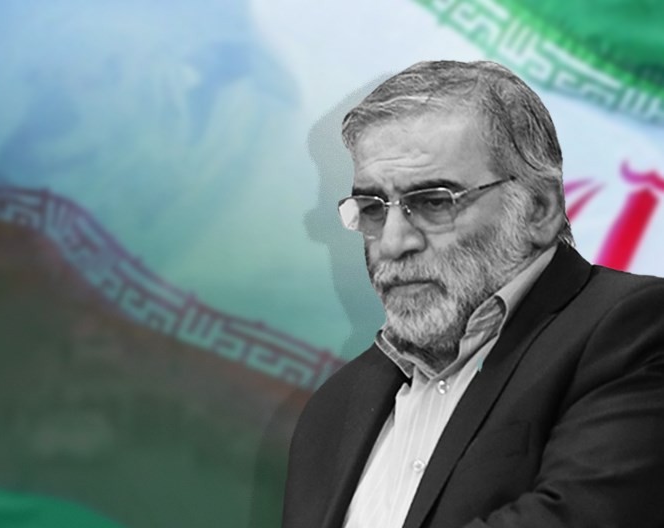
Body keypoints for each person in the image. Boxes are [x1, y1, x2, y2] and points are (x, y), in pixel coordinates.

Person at [281, 60, 664, 528]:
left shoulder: (635, 329)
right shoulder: (334, 408)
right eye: (373, 209)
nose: (393, 242)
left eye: (433, 202)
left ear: (539, 209)